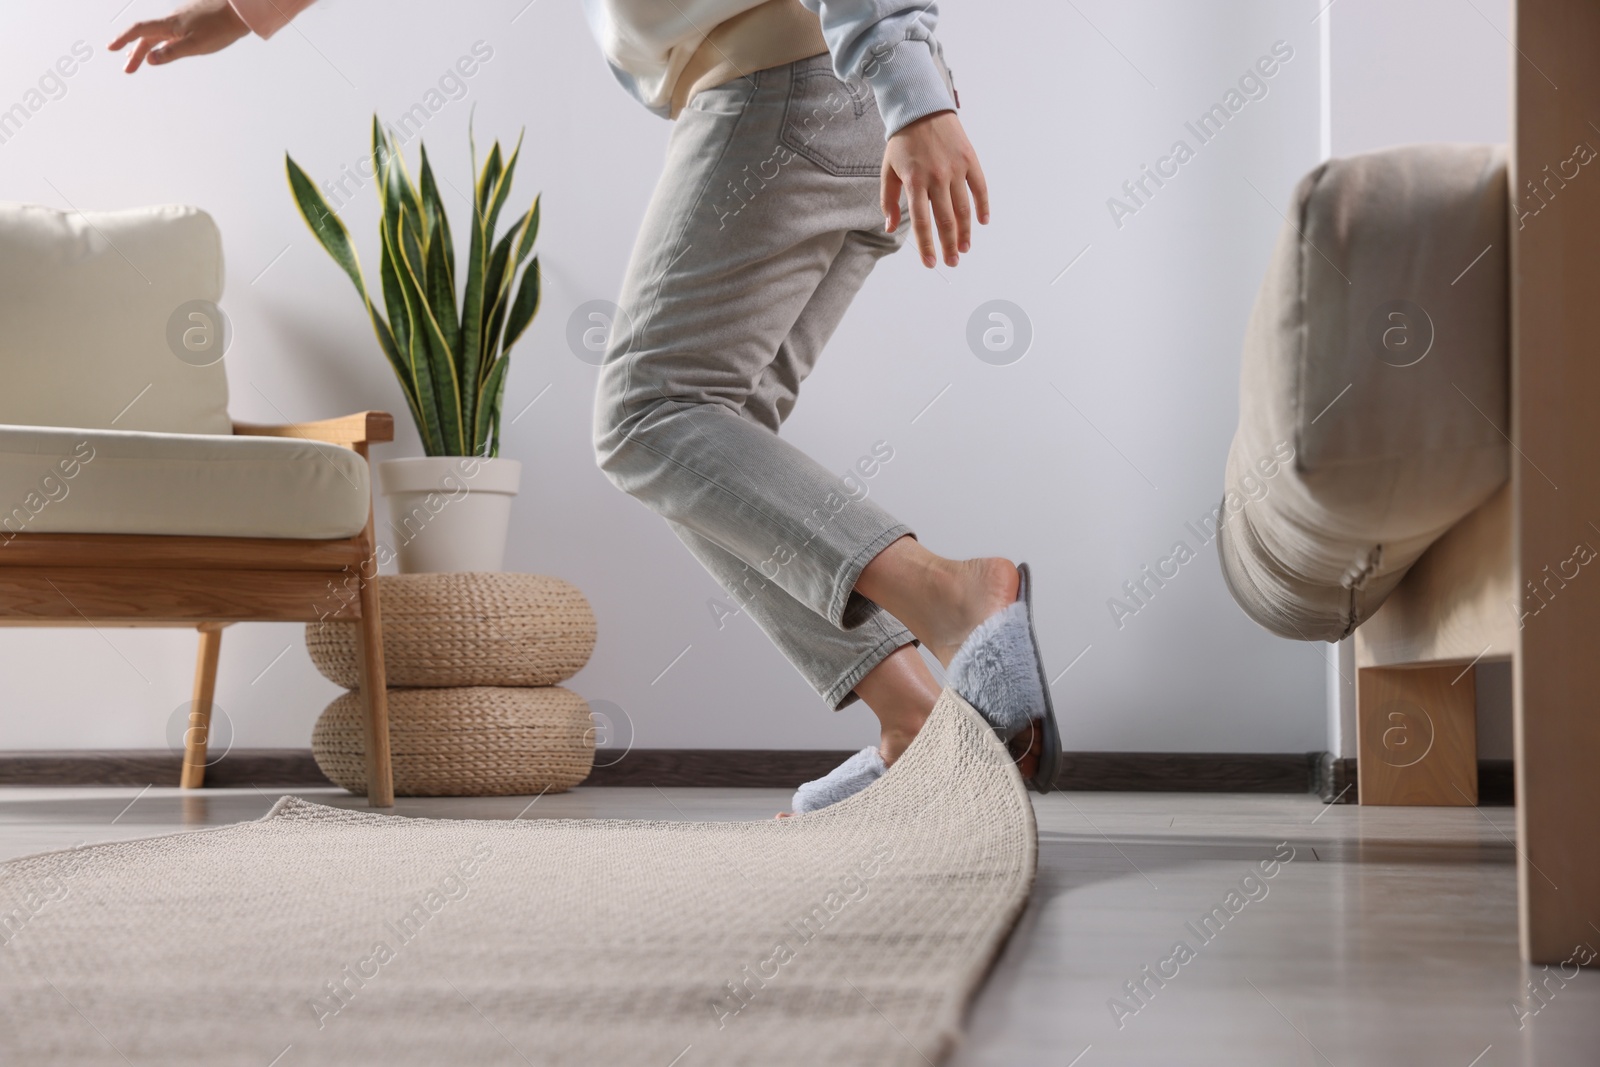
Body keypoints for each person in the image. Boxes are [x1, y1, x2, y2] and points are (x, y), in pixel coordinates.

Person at [111, 0, 1060, 814]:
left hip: (790, 79)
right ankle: (914, 719)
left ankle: (956, 596)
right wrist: (244, 11)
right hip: (827, 96)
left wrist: (911, 86)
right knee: (715, 452)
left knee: (650, 415)